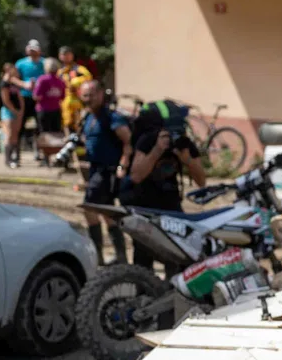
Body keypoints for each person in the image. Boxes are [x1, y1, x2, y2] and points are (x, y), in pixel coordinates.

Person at [120, 122, 206, 273]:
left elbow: (201, 182)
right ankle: (143, 292)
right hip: (145, 204)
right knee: (143, 257)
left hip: (171, 206)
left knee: (177, 254)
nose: (171, 138)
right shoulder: (148, 140)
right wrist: (157, 150)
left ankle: (174, 290)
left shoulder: (183, 144)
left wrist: (187, 160)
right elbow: (136, 176)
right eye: (168, 134)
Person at [78, 80, 132, 265]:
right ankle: (119, 256)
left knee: (90, 208)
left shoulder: (112, 117)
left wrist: (122, 166)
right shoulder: (88, 117)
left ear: (101, 94)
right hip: (95, 170)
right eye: (85, 95)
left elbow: (128, 142)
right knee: (107, 212)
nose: (88, 99)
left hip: (107, 171)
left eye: (91, 94)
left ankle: (99, 256)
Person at [15, 40, 46, 158]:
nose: (33, 52)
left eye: (35, 50)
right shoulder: (20, 63)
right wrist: (24, 84)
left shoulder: (45, 63)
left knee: (39, 126)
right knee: (20, 125)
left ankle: (39, 151)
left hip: (40, 99)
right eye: (31, 50)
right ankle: (17, 154)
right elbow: (14, 78)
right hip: (24, 97)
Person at [58, 47, 92, 133]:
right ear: (60, 56)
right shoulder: (60, 72)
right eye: (64, 54)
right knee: (66, 124)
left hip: (78, 101)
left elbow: (88, 77)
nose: (66, 57)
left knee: (79, 123)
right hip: (64, 102)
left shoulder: (79, 69)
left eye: (68, 54)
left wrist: (76, 82)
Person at [0, 63, 26, 168]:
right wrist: (14, 110)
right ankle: (8, 159)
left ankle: (16, 158)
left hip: (18, 111)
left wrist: (21, 110)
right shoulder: (4, 84)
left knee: (16, 135)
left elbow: (20, 97)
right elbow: (5, 100)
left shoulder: (15, 83)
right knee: (9, 134)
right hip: (8, 111)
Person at [32, 58, 66, 135]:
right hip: (56, 110)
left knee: (45, 134)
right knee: (56, 134)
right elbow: (62, 97)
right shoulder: (61, 81)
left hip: (43, 110)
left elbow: (36, 96)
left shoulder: (42, 79)